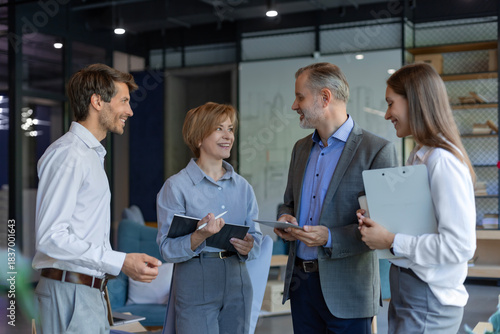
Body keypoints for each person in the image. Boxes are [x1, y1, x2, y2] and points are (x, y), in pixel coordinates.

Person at [32, 63, 161, 334]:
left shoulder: (89, 155)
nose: (130, 110)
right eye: (124, 101)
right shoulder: (70, 155)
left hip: (87, 292)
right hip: (70, 294)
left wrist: (118, 262)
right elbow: (51, 236)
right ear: (97, 101)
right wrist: (120, 261)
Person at [274, 62, 398, 333]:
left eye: (300, 97)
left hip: (349, 289)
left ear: (325, 97)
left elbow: (383, 229)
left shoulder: (377, 151)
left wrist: (328, 237)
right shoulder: (300, 149)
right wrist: (285, 217)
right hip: (301, 286)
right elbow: (289, 201)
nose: (295, 106)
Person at [357, 62, 476, 334]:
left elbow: (460, 246)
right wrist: (379, 220)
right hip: (410, 289)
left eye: (390, 103)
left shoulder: (442, 162)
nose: (387, 114)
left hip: (428, 297)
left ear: (414, 101)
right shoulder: (420, 156)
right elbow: (419, 223)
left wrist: (390, 240)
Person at [156, 102, 262, 334]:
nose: (228, 136)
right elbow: (166, 249)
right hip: (195, 279)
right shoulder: (176, 187)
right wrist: (199, 235)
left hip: (238, 280)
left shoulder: (243, 187)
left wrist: (249, 245)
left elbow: (256, 240)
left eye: (231, 129)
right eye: (219, 129)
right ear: (197, 138)